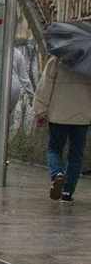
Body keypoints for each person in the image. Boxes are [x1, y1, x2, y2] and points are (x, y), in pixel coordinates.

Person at [34, 43, 91, 202]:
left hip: (58, 115)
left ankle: (57, 174)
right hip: (82, 116)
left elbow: (44, 88)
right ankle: (67, 192)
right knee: (76, 154)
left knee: (54, 148)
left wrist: (40, 111)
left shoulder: (56, 61)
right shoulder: (89, 64)